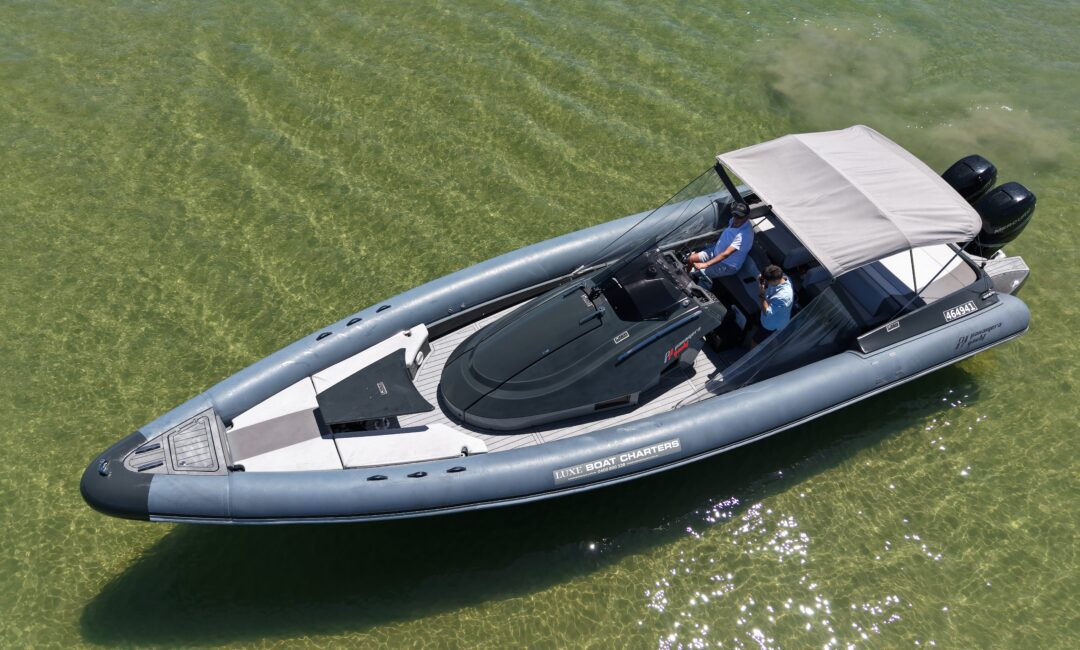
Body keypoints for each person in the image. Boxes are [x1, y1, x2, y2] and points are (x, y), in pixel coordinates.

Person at [688, 202, 754, 282]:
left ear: (747, 217)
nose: (736, 219)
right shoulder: (733, 220)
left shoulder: (745, 235)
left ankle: (692, 280)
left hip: (727, 264)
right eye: (735, 215)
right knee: (691, 258)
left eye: (740, 217)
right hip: (715, 251)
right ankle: (687, 272)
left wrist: (706, 264)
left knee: (698, 273)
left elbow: (726, 254)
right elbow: (727, 234)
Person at [750, 264, 794, 346]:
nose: (765, 281)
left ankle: (750, 356)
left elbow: (767, 312)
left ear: (774, 281)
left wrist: (762, 294)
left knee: (755, 341)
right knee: (771, 337)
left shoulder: (783, 296)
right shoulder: (783, 278)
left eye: (767, 281)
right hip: (770, 316)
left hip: (771, 324)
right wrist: (761, 279)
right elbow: (761, 277)